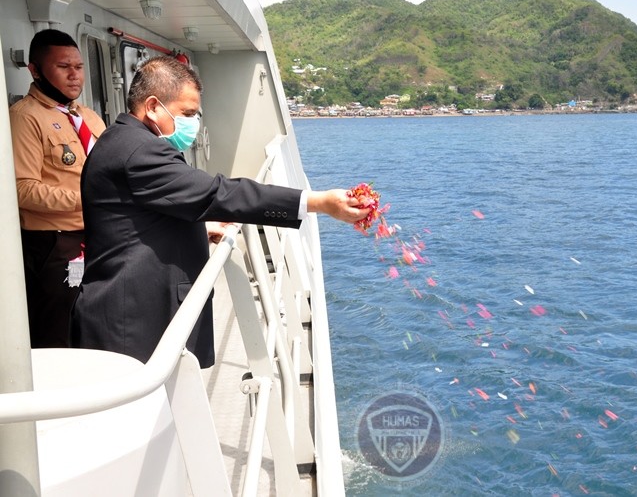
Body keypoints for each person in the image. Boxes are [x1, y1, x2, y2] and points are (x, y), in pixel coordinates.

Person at [70, 56, 370, 368]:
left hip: (129, 311)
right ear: (154, 106)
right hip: (129, 321)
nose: (193, 124)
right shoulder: (139, 151)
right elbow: (217, 192)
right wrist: (316, 202)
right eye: (187, 113)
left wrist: (199, 229)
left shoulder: (124, 138)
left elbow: (138, 217)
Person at [10, 29, 106, 348]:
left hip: (97, 237)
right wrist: (86, 200)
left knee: (93, 322)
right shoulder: (25, 118)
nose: (74, 75)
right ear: (35, 70)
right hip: (56, 246)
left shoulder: (88, 117)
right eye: (64, 67)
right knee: (58, 331)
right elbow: (22, 189)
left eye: (79, 67)